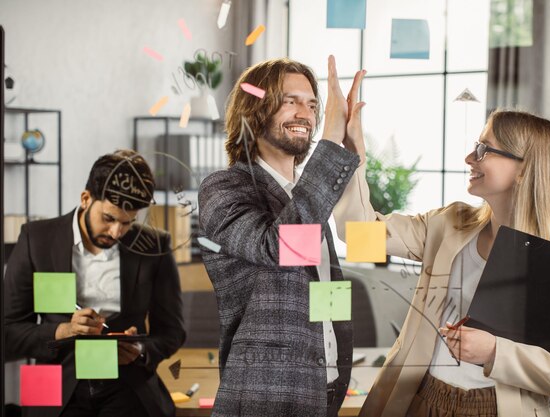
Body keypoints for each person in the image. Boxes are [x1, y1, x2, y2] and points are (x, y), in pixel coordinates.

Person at [333, 109, 550, 416]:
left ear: (523, 169)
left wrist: (496, 352)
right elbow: (358, 235)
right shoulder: (448, 225)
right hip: (420, 400)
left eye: (483, 149)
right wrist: (353, 157)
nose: (469, 157)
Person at [198, 56, 366, 417]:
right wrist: (332, 146)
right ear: (254, 110)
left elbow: (325, 291)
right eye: (289, 101)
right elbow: (280, 249)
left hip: (322, 392)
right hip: (263, 397)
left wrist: (352, 152)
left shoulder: (306, 196)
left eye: (312, 104)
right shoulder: (223, 189)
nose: (304, 113)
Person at [4, 149, 186, 417]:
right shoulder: (36, 239)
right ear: (86, 199)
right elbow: (8, 332)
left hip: (127, 382)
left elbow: (173, 331)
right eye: (109, 219)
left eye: (127, 223)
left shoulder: (155, 245)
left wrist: (139, 349)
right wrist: (62, 330)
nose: (116, 232)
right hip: (53, 378)